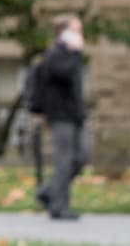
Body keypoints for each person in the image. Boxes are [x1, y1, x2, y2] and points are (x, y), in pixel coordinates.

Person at [36, 14, 89, 221]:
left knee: (82, 156)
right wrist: (74, 53)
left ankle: (49, 192)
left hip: (75, 116)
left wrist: (83, 115)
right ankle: (59, 207)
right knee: (63, 160)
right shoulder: (56, 53)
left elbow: (76, 90)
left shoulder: (72, 54)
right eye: (76, 30)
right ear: (64, 32)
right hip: (60, 116)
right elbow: (61, 74)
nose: (80, 34)